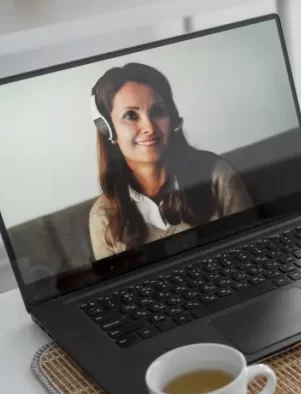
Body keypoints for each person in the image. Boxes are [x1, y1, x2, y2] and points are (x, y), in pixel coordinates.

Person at [88, 63, 253, 260]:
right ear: (109, 130)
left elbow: (252, 250)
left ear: (172, 118)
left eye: (158, 111)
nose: (149, 127)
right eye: (130, 115)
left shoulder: (217, 177)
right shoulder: (103, 217)